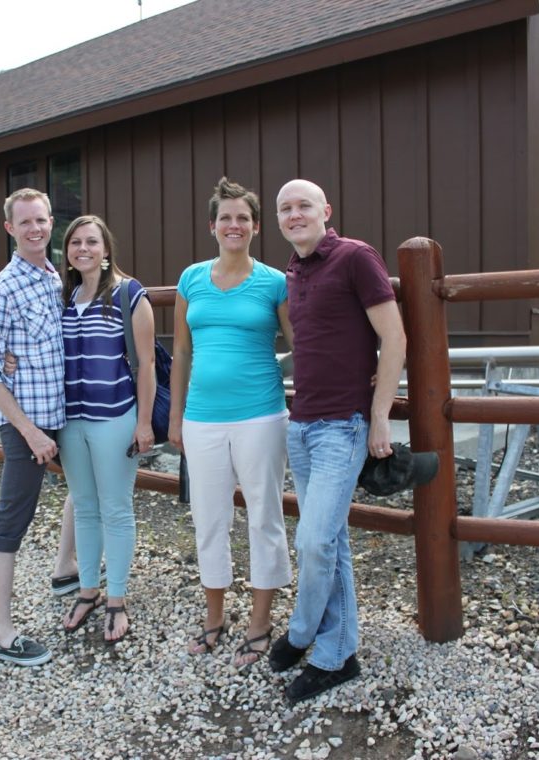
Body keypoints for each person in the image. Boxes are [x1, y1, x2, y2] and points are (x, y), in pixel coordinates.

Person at [268, 179, 406, 703]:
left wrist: (379, 416)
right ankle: (338, 647)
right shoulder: (295, 272)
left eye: (304, 205)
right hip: (300, 425)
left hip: (341, 427)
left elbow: (394, 338)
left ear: (326, 210)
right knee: (331, 540)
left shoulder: (355, 257)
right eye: (286, 208)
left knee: (314, 541)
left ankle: (310, 639)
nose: (295, 214)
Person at [169, 177, 295, 669]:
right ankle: (214, 619)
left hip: (261, 415)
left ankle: (260, 622)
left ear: (256, 227)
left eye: (243, 217)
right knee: (209, 518)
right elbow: (180, 350)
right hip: (201, 420)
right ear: (213, 226)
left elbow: (300, 344)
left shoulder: (274, 283)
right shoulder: (191, 279)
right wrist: (176, 415)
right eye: (226, 217)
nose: (234, 224)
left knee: (264, 516)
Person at [0, 187, 65, 667]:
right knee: (14, 518)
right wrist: (29, 432)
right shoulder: (2, 289)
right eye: (25, 222)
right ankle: (4, 632)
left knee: (90, 488)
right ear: (10, 229)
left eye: (41, 220)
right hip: (27, 423)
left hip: (66, 415)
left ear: (52, 222)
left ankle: (67, 570)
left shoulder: (57, 278)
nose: (35, 229)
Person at [56, 214, 155, 644]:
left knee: (115, 508)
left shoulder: (129, 294)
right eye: (75, 242)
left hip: (115, 416)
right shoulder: (63, 296)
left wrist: (146, 422)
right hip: (71, 420)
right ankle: (88, 590)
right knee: (84, 504)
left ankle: (117, 598)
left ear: (106, 248)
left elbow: (147, 364)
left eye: (91, 241)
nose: (83, 249)